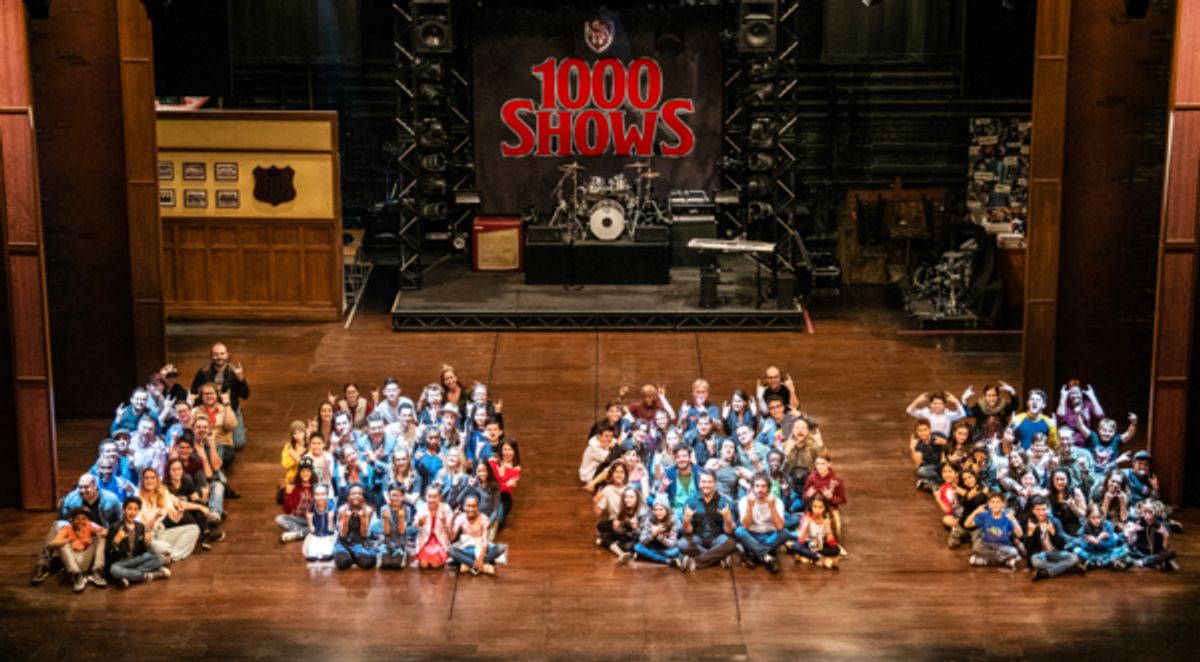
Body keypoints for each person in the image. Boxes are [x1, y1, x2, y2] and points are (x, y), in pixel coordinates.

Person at [190, 342, 250, 450]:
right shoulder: (203, 372)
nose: (219, 357)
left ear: (227, 354)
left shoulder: (234, 371)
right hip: (209, 409)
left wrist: (241, 379)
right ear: (211, 355)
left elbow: (245, 395)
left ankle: (235, 428)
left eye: (222, 354)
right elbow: (194, 392)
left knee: (239, 444)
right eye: (216, 354)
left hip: (230, 408)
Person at [138, 467, 201, 562]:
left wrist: (180, 511)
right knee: (154, 546)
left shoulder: (164, 493)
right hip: (149, 536)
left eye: (152, 478)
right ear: (142, 481)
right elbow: (140, 528)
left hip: (162, 533)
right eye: (146, 478)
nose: (149, 481)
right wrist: (155, 518)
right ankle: (170, 552)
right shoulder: (138, 499)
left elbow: (175, 519)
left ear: (157, 480)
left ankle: (170, 556)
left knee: (194, 529)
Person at [677, 471, 737, 572]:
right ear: (699, 483)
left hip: (717, 538)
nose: (706, 485)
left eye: (710, 482)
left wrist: (727, 519)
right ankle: (718, 558)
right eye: (704, 482)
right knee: (682, 543)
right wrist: (686, 521)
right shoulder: (691, 501)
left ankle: (696, 561)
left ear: (715, 483)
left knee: (731, 543)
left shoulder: (724, 501)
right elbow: (687, 532)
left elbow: (729, 532)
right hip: (698, 538)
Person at [106, 496, 170, 587]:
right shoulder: (115, 527)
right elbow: (108, 552)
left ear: (138, 511)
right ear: (123, 510)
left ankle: (129, 577)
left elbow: (142, 551)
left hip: (136, 559)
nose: (133, 512)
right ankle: (151, 575)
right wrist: (116, 541)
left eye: (136, 509)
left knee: (160, 558)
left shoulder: (140, 526)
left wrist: (147, 542)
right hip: (122, 562)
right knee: (114, 570)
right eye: (129, 509)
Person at [735, 474, 787, 573]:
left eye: (763, 486)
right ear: (752, 488)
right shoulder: (744, 501)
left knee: (785, 533)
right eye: (757, 486)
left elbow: (780, 527)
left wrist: (772, 507)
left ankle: (754, 554)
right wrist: (750, 507)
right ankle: (767, 557)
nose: (760, 489)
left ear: (768, 488)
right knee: (739, 531)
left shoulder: (777, 502)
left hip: (769, 536)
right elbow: (745, 526)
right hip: (751, 535)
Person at [51, 507, 108, 592]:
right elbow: (53, 543)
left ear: (87, 520)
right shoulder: (67, 528)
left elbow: (106, 531)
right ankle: (77, 576)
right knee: (62, 545)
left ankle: (97, 572)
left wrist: (99, 534)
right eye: (77, 519)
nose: (80, 522)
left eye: (83, 519)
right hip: (73, 561)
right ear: (72, 520)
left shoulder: (89, 525)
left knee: (102, 539)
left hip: (87, 558)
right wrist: (69, 539)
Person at [1025, 497, 1082, 581]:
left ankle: (1046, 573)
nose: (1041, 513)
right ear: (1033, 510)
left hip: (1055, 552)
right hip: (1040, 555)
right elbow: (1028, 548)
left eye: (1044, 509)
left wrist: (1054, 533)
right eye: (1038, 510)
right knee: (1036, 562)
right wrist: (1030, 534)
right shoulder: (1030, 523)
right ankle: (1068, 569)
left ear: (1048, 509)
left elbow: (1062, 544)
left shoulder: (1055, 522)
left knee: (1074, 557)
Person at [450, 493, 506, 575]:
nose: (471, 509)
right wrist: (453, 518)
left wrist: (480, 559)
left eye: (474, 506)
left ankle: (470, 564)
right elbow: (452, 537)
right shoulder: (460, 517)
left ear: (478, 507)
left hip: (482, 549)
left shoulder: (484, 518)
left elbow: (484, 541)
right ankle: (480, 566)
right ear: (464, 507)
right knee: (450, 550)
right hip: (467, 549)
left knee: (501, 548)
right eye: (468, 506)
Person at [964, 491, 1023, 570]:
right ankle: (1005, 561)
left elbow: (1020, 534)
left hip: (1003, 546)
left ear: (1003, 504)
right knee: (976, 547)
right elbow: (967, 524)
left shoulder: (1008, 516)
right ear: (989, 504)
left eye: (998, 502)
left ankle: (983, 561)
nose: (995, 505)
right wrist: (975, 511)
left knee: (1014, 551)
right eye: (992, 502)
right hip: (986, 544)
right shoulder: (985, 515)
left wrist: (1013, 520)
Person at [193, 382, 240, 468]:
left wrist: (227, 404)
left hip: (223, 444)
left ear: (217, 395)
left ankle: (212, 469)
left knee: (225, 455)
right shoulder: (197, 410)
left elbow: (231, 426)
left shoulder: (224, 408)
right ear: (201, 396)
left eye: (211, 393)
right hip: (204, 444)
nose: (208, 396)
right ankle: (217, 471)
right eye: (205, 394)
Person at [1126, 499, 1178, 571]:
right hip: (1141, 552)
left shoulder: (1163, 524)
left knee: (1171, 553)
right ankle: (1154, 562)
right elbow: (1131, 544)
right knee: (1125, 550)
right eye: (1145, 511)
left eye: (1150, 512)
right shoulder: (1138, 522)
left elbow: (1165, 547)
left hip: (1156, 552)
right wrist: (1131, 533)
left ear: (1156, 512)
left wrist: (1165, 536)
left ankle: (1143, 562)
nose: (1147, 514)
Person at [333, 484, 376, 570]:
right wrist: (346, 518)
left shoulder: (368, 510)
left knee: (368, 563)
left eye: (359, 493)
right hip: (344, 543)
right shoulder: (342, 510)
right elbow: (343, 534)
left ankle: (354, 556)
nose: (356, 496)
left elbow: (364, 534)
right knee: (342, 563)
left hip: (361, 543)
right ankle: (351, 555)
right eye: (353, 493)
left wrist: (363, 517)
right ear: (348, 497)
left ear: (363, 497)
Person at [1075, 503, 1130, 570]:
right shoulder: (1085, 527)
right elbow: (1083, 546)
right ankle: (1106, 562)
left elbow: (1112, 544)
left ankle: (1093, 563)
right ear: (1088, 518)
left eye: (1098, 517)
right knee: (1076, 550)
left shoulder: (1107, 525)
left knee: (1125, 550)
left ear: (1101, 515)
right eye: (1093, 518)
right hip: (1092, 553)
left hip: (1106, 552)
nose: (1097, 520)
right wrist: (1098, 539)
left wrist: (1097, 542)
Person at [792, 494, 841, 569]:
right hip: (809, 544)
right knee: (796, 546)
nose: (817, 510)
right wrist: (806, 525)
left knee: (836, 550)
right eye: (815, 507)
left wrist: (828, 529)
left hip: (821, 546)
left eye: (820, 507)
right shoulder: (807, 518)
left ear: (825, 508)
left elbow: (831, 543)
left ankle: (811, 555)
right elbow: (801, 541)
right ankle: (817, 557)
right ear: (811, 507)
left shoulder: (826, 520)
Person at [413, 486, 454, 569]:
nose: (432, 499)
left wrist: (445, 523)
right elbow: (415, 525)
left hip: (440, 540)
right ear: (426, 497)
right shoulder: (422, 507)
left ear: (440, 497)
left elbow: (451, 532)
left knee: (435, 565)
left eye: (435, 497)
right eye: (430, 497)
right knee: (424, 565)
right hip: (425, 540)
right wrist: (420, 522)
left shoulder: (446, 508)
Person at [633, 498, 680, 566]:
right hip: (652, 546)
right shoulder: (650, 519)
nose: (658, 513)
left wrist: (660, 536)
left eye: (661, 509)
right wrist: (653, 534)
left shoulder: (673, 519)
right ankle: (667, 561)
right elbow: (642, 540)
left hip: (666, 548)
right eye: (655, 510)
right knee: (637, 547)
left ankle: (648, 555)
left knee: (674, 552)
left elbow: (672, 543)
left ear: (667, 510)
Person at [279, 461, 317, 542]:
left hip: (313, 519)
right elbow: (287, 511)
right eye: (303, 471)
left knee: (320, 524)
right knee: (279, 518)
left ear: (312, 473)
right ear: (299, 473)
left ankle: (297, 533)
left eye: (308, 471)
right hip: (298, 519)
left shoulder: (317, 487)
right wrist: (288, 495)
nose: (305, 473)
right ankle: (301, 532)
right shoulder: (295, 488)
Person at [488, 440, 521, 524]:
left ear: (514, 451)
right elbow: (490, 484)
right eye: (505, 449)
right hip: (489, 495)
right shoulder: (492, 462)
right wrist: (506, 484)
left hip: (503, 499)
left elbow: (508, 490)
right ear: (501, 450)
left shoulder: (516, 469)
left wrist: (500, 483)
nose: (507, 453)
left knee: (498, 521)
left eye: (510, 449)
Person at [377, 485, 408, 570]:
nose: (395, 498)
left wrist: (401, 518)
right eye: (393, 495)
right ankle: (381, 553)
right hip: (387, 542)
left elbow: (401, 531)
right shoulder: (384, 509)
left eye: (398, 495)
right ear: (389, 496)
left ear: (402, 497)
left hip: (400, 542)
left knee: (396, 565)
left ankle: (404, 553)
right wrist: (386, 519)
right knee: (386, 564)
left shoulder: (406, 509)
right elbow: (386, 532)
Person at [303, 484, 337, 563]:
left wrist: (331, 519)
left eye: (323, 494)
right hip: (316, 536)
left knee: (326, 556)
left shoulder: (332, 508)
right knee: (311, 556)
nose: (320, 497)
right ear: (314, 496)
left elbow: (331, 530)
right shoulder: (311, 509)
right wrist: (309, 520)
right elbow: (312, 530)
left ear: (327, 495)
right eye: (317, 495)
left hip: (329, 536)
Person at [910, 419, 945, 492]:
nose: (923, 433)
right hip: (932, 467)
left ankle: (929, 483)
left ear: (930, 430)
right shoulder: (919, 444)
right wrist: (912, 448)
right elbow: (918, 463)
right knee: (921, 471)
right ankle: (941, 482)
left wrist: (944, 443)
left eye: (925, 430)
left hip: (944, 464)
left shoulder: (938, 435)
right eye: (920, 431)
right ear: (916, 432)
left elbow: (952, 445)